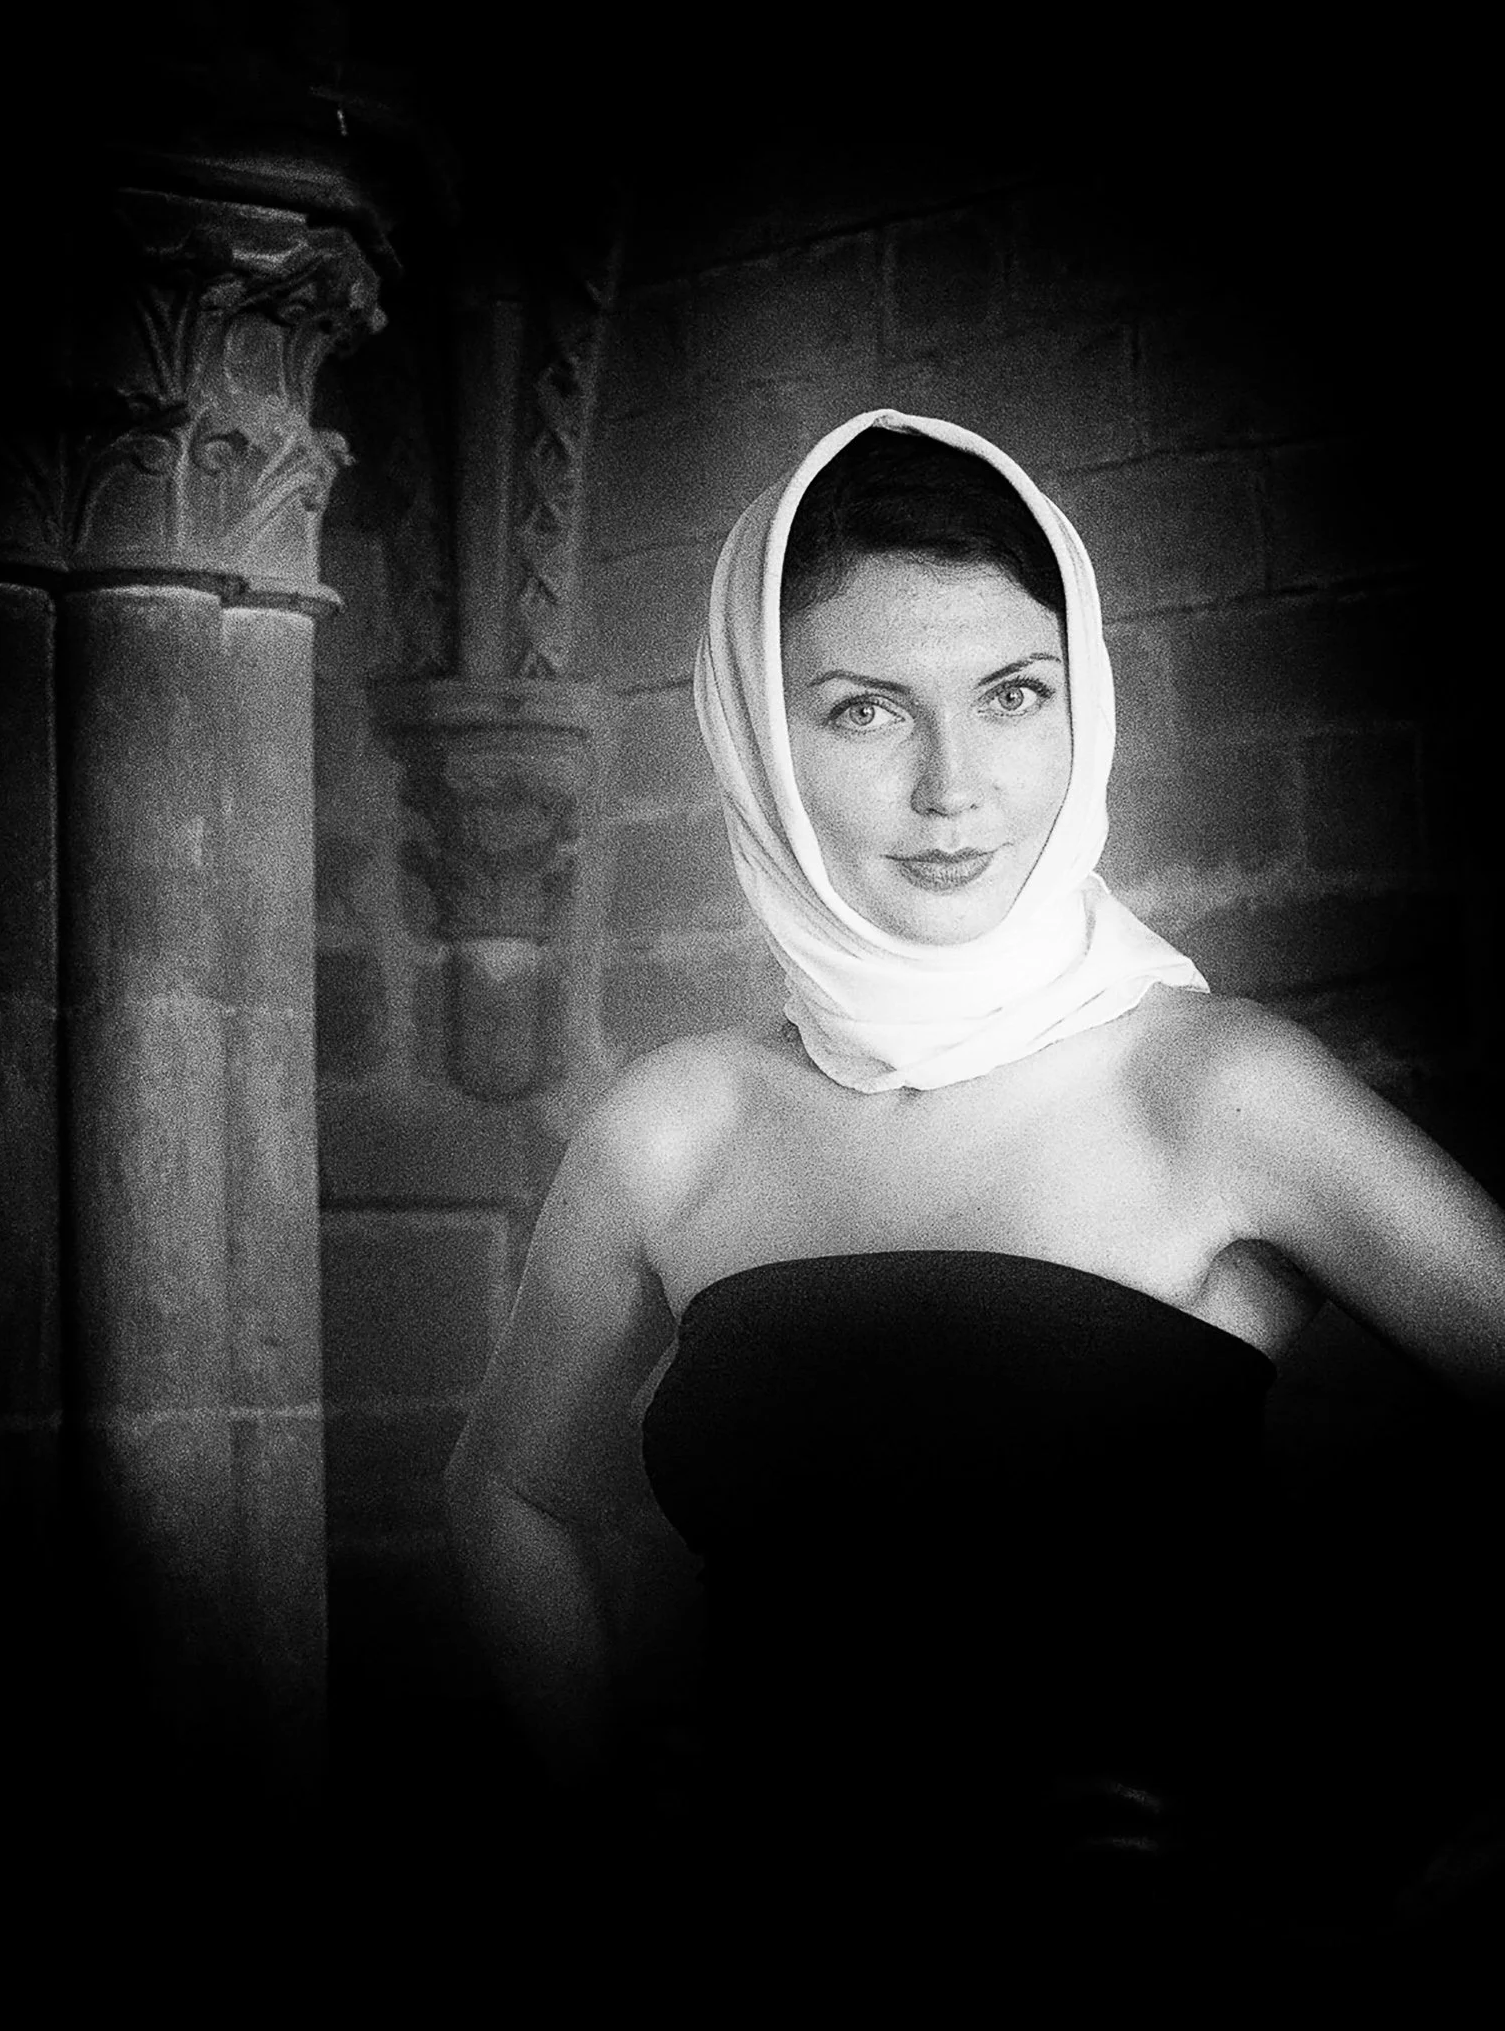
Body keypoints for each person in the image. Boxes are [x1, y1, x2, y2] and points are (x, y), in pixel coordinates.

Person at [444, 409, 1503, 1987]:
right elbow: (508, 1492)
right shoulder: (676, 1127)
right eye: (865, 710)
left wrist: (1413, 1896)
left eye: (1014, 693)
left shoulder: (1213, 1087)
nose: (955, 788)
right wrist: (605, 1827)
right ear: (756, 740)